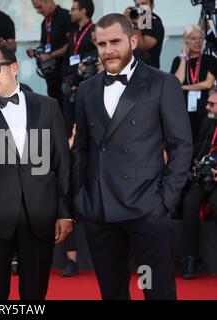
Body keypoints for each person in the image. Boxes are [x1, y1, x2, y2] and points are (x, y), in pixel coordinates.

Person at [72, 14, 193, 300]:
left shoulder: (161, 83)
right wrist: (82, 196)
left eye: (115, 41)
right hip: (100, 209)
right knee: (112, 292)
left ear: (133, 41)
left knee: (155, 290)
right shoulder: (87, 89)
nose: (108, 50)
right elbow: (81, 149)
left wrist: (164, 200)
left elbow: (181, 145)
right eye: (101, 44)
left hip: (146, 209)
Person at [0, 39, 73, 300]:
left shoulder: (48, 106)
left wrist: (64, 212)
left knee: (34, 295)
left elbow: (62, 164)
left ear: (14, 68)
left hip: (39, 217)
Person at [181, 87, 217, 279]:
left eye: (212, 104)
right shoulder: (207, 123)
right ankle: (191, 258)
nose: (207, 107)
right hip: (204, 176)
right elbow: (198, 148)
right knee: (189, 203)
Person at [171, 25, 217, 143]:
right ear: (186, 40)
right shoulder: (178, 60)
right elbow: (177, 82)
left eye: (200, 38)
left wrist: (184, 87)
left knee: (202, 139)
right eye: (193, 38)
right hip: (183, 107)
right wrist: (183, 57)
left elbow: (207, 84)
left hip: (204, 106)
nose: (197, 42)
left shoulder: (209, 59)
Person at [27, 0, 74, 109]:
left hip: (64, 71)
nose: (38, 11)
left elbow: (71, 43)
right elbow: (43, 45)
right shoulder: (45, 22)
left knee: (65, 107)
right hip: (50, 73)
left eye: (39, 7)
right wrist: (35, 52)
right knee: (54, 105)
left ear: (48, 1)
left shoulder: (65, 16)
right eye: (35, 8)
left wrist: (51, 55)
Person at [62, 0, 96, 131]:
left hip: (86, 82)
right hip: (69, 83)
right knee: (68, 123)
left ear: (84, 11)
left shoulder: (94, 31)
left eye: (73, 9)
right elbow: (68, 57)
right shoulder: (74, 34)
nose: (70, 13)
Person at [124, 0, 164, 69]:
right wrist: (123, 21)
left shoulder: (155, 24)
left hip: (149, 72)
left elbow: (141, 48)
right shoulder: (132, 22)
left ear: (152, 5)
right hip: (130, 70)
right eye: (137, 5)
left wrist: (136, 25)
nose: (140, 7)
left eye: (144, 4)